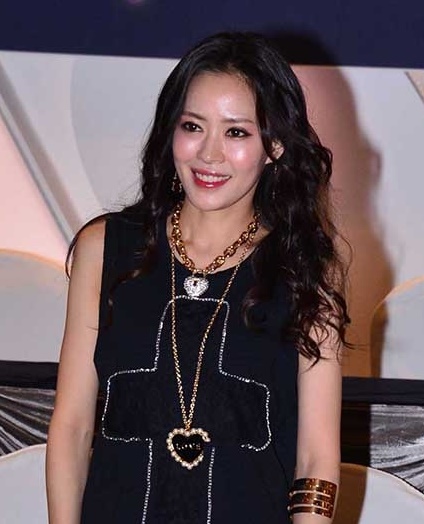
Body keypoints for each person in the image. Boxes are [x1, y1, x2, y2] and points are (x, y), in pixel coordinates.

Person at [46, 32, 349, 523]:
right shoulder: (105, 249)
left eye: (236, 133)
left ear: (274, 145)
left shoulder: (305, 267)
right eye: (193, 126)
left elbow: (316, 461)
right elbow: (72, 426)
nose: (209, 154)